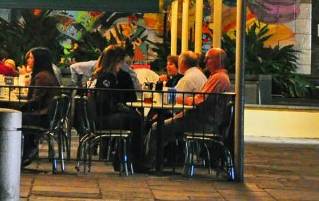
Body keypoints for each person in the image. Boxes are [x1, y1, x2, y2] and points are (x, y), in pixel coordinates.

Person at [142, 47, 232, 168]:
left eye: (208, 59)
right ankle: (164, 159)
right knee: (163, 126)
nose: (204, 61)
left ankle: (148, 162)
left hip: (201, 122)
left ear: (218, 60)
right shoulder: (215, 77)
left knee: (156, 127)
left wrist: (180, 99)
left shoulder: (217, 79)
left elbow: (199, 101)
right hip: (202, 119)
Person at [88, 43, 146, 172]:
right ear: (117, 61)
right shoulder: (107, 78)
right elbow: (106, 102)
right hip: (104, 117)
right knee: (136, 121)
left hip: (103, 115)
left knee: (135, 119)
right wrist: (121, 108)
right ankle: (134, 161)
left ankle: (124, 158)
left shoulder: (102, 75)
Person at [20, 47, 59, 166]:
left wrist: (18, 109)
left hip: (41, 117)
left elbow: (35, 101)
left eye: (31, 58)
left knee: (10, 119)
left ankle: (26, 150)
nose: (28, 61)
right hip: (46, 116)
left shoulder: (42, 77)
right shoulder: (46, 75)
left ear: (39, 60)